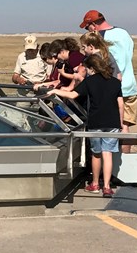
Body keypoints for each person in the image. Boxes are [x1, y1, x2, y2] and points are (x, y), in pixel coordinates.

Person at [49, 52, 123, 197]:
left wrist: (54, 91)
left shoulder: (90, 81)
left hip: (96, 121)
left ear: (92, 68)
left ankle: (95, 183)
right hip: (113, 122)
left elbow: (72, 95)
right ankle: (107, 186)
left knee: (96, 154)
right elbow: (120, 103)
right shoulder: (115, 82)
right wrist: (121, 123)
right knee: (107, 154)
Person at [79, 10, 137, 147]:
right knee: (125, 127)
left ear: (93, 25)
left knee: (109, 129)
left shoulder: (99, 38)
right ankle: (124, 161)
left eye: (88, 28)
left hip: (111, 89)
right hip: (130, 85)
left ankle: (111, 162)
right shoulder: (124, 33)